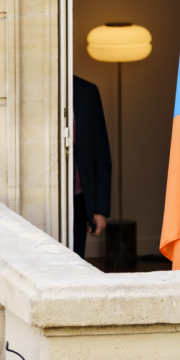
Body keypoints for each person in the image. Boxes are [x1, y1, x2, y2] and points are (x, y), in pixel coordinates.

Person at [72, 75, 112, 258]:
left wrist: (100, 209)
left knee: (76, 261)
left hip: (79, 201)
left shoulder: (88, 91)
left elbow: (101, 152)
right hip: (47, 199)